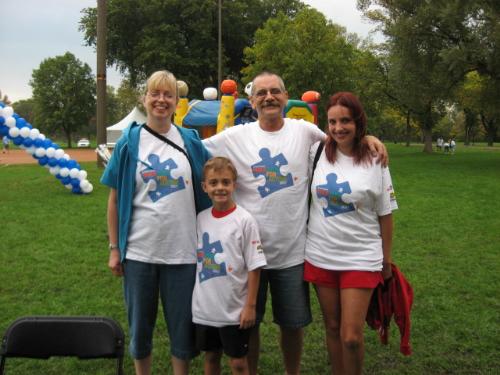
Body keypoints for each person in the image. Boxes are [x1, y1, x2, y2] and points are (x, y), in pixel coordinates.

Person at [202, 72, 388, 375]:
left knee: (292, 325)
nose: (269, 97)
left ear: (286, 97)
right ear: (251, 101)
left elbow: (341, 140)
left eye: (275, 91)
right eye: (261, 93)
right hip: (250, 256)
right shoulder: (236, 136)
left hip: (293, 253)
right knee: (250, 324)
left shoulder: (304, 131)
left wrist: (368, 138)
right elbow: (195, 148)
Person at [101, 70, 211, 375]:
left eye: (168, 95)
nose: (161, 100)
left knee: (182, 329)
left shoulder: (190, 140)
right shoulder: (129, 142)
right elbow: (114, 199)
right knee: (140, 328)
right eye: (155, 94)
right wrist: (114, 248)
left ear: (177, 102)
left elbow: (213, 179)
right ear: (145, 98)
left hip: (184, 253)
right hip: (139, 252)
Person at [304, 92, 398, 375]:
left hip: (362, 256)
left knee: (351, 336)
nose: (338, 128)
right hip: (320, 254)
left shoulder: (375, 158)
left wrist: (386, 260)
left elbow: (386, 213)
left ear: (358, 122)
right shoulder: (316, 153)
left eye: (345, 121)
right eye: (332, 122)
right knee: (332, 327)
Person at [192, 157, 267, 375]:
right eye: (214, 183)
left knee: (238, 363)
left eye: (226, 182)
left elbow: (255, 265)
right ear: (204, 187)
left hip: (234, 309)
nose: (220, 188)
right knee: (211, 357)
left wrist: (250, 306)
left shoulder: (245, 220)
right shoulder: (200, 219)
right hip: (205, 308)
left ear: (235, 185)